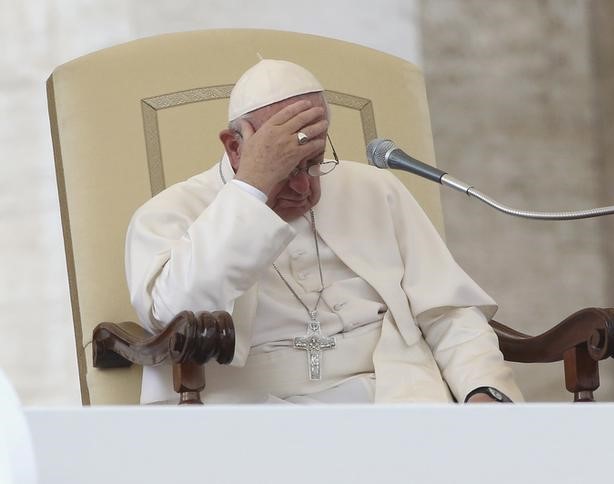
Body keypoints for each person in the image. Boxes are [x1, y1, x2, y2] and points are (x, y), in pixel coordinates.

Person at [125, 59, 522, 404]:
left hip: (396, 401)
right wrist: (252, 190)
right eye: (286, 169)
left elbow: (447, 310)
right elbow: (175, 313)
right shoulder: (169, 213)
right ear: (234, 147)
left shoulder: (373, 190)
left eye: (313, 163)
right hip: (255, 417)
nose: (304, 186)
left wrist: (483, 390)